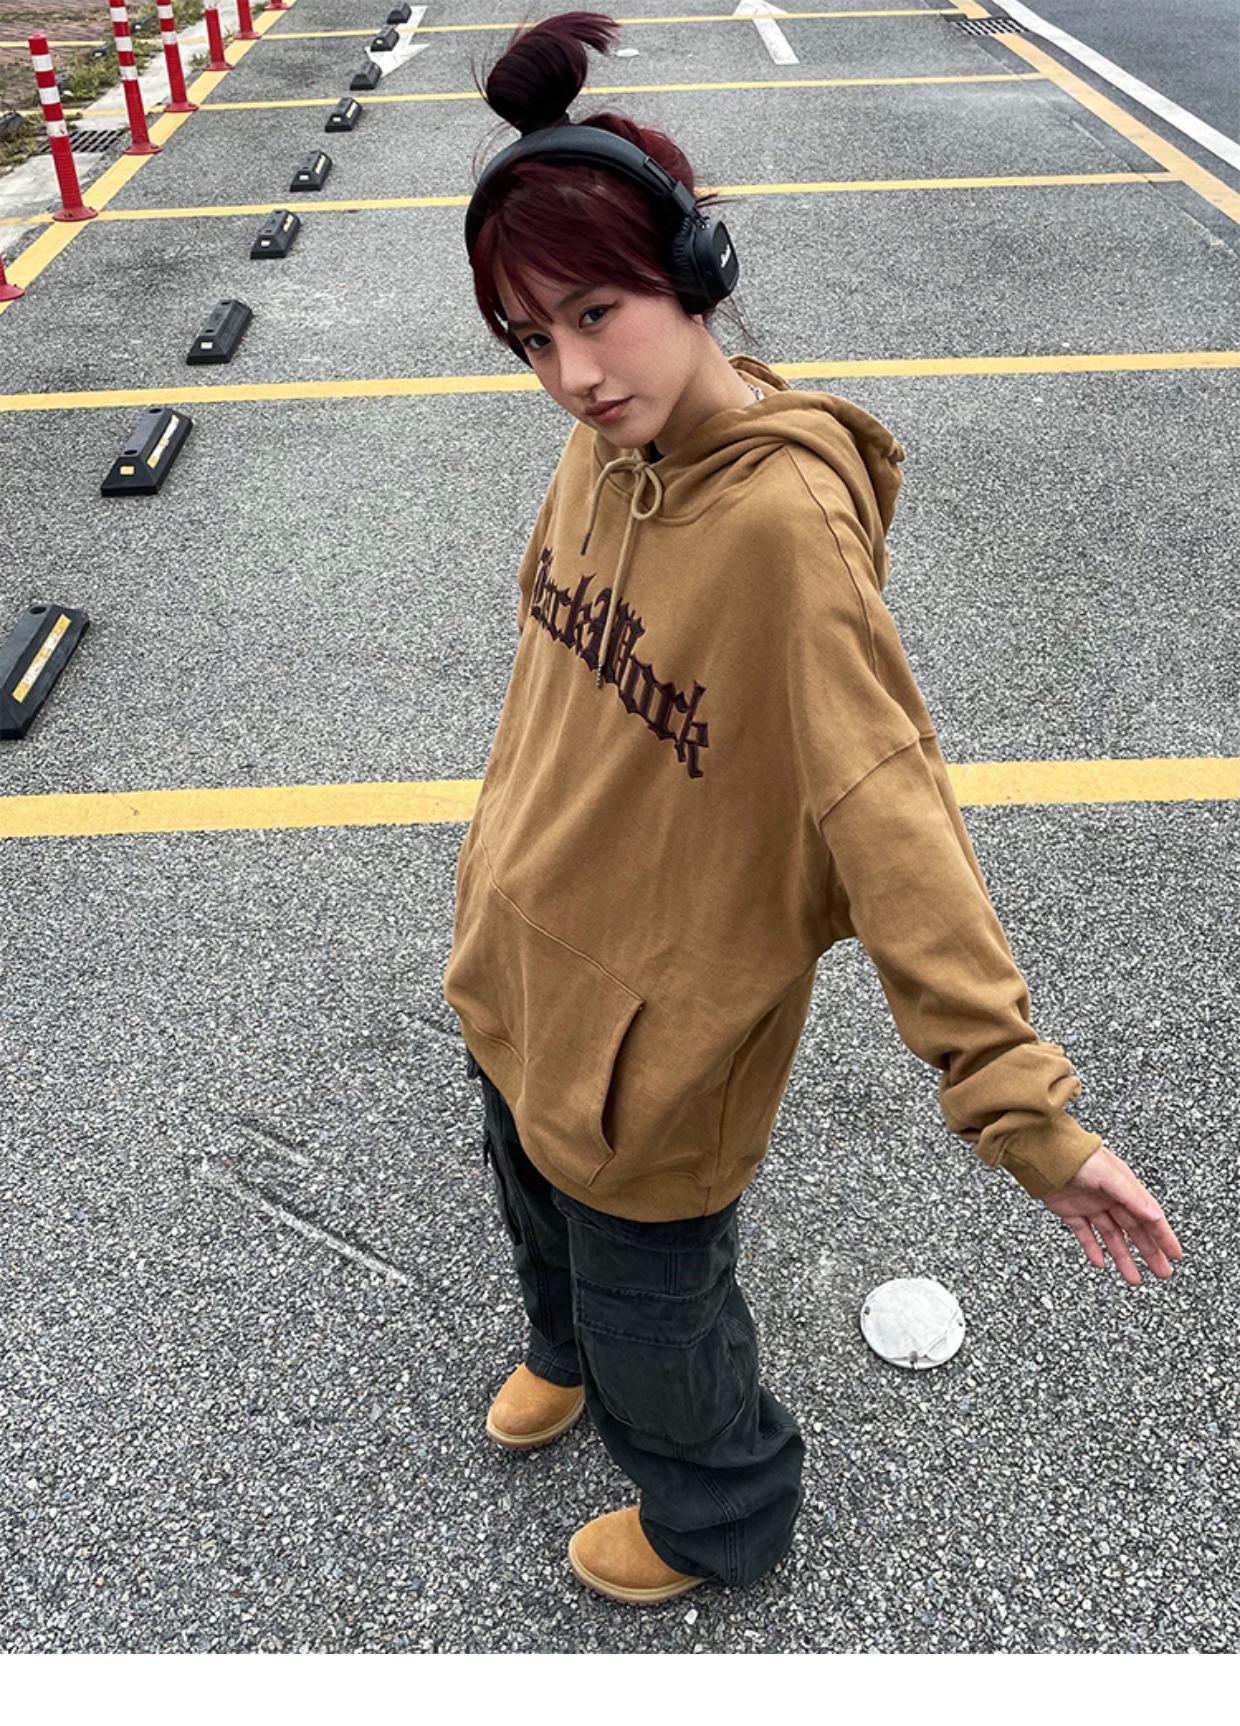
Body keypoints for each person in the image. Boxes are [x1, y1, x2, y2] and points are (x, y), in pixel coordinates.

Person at [443, 11, 1182, 1605]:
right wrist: (491, 878)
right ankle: (561, 1348)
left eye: (597, 312)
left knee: (659, 1309)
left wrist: (1024, 1108)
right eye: (530, 339)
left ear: (693, 273)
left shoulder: (782, 533)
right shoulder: (602, 452)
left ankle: (723, 1510)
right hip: (519, 971)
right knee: (533, 1206)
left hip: (656, 1043)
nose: (572, 374)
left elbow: (889, 815)